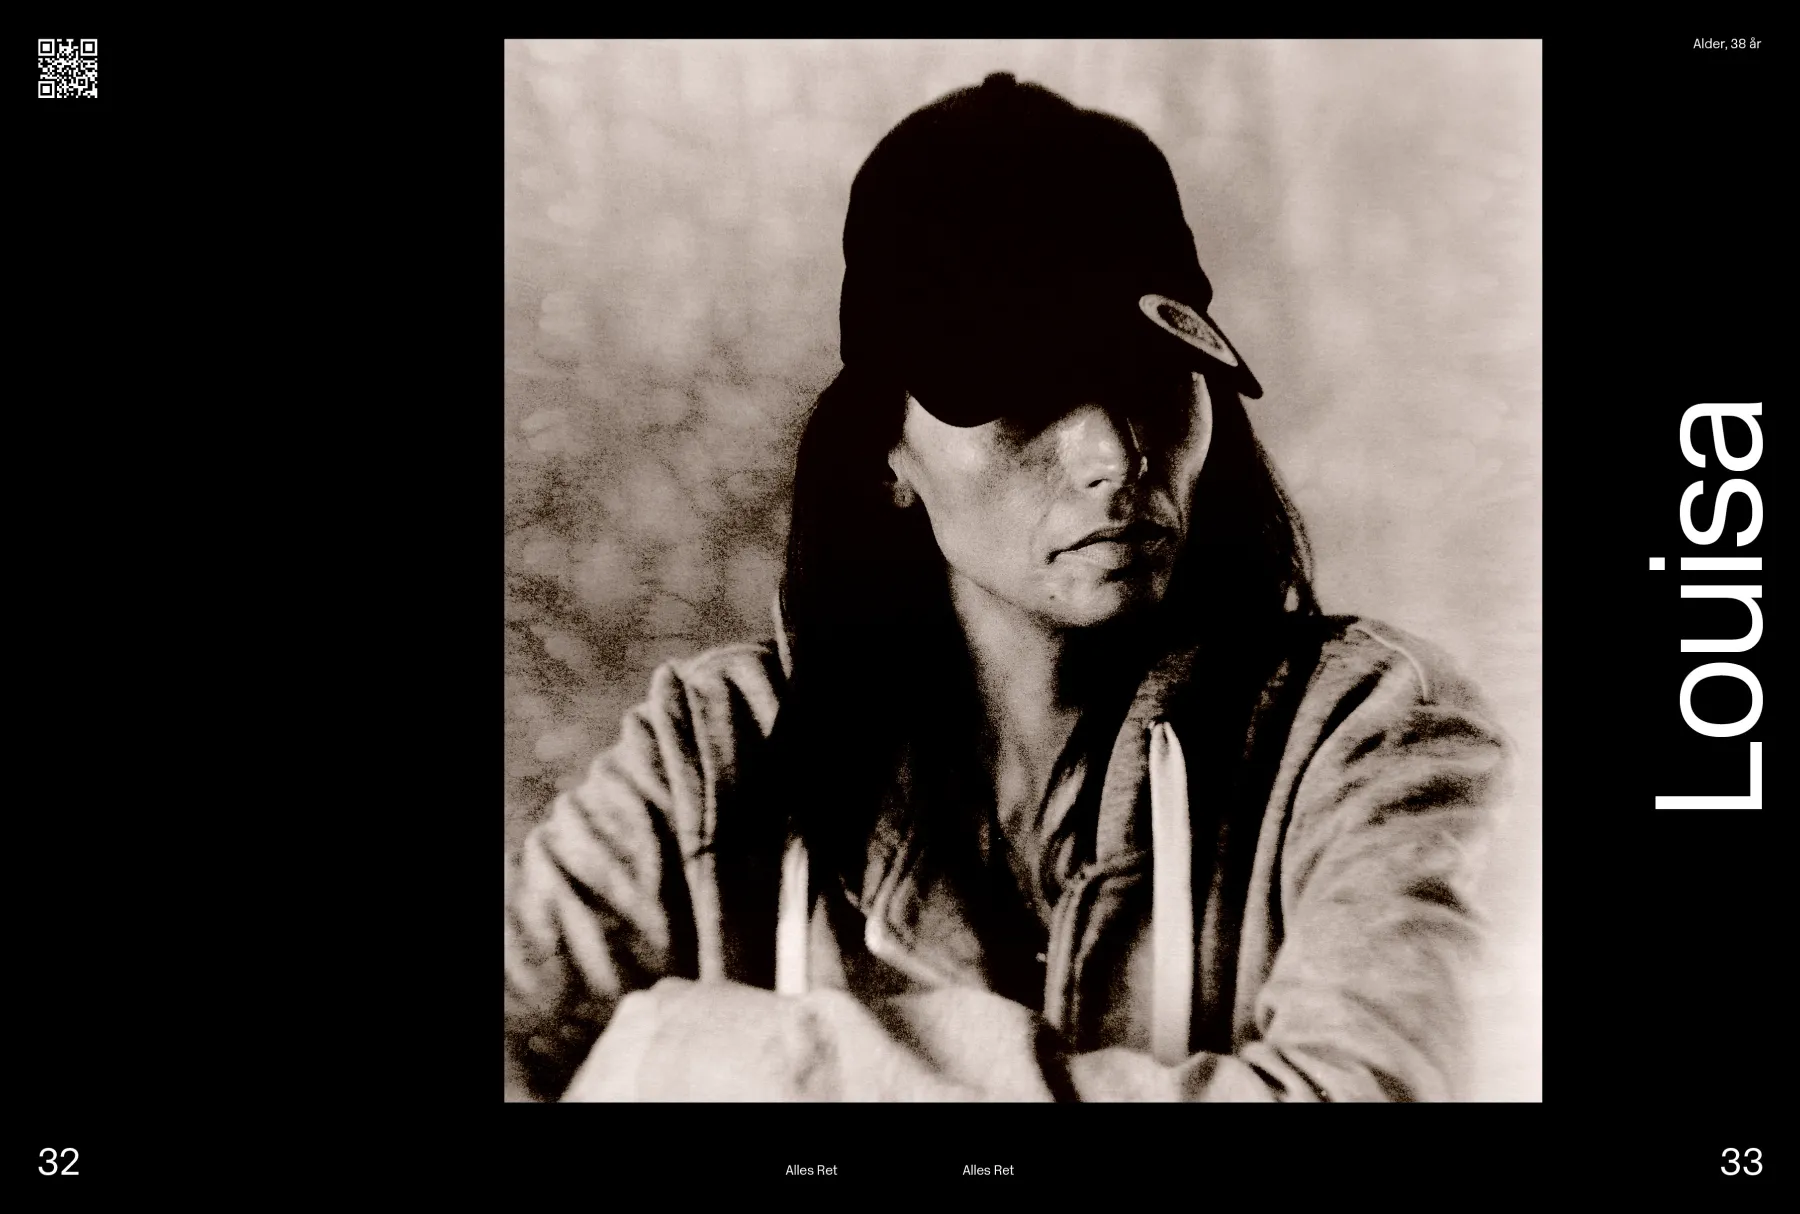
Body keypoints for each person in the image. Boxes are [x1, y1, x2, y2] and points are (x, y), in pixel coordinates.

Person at [503, 72, 1510, 1102]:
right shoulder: (710, 761)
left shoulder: (1366, 734)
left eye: (1152, 378)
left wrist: (722, 1061)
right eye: (1024, 392)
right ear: (887, 449)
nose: (1112, 454)